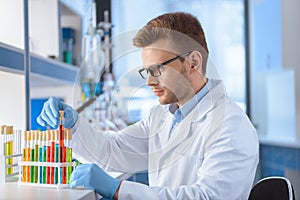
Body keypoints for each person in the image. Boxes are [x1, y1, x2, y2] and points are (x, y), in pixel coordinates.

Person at [37, 12, 259, 200]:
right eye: (147, 71)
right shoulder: (163, 116)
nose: (149, 82)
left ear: (193, 62)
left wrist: (119, 190)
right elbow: (114, 151)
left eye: (157, 69)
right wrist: (74, 125)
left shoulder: (231, 126)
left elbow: (207, 197)